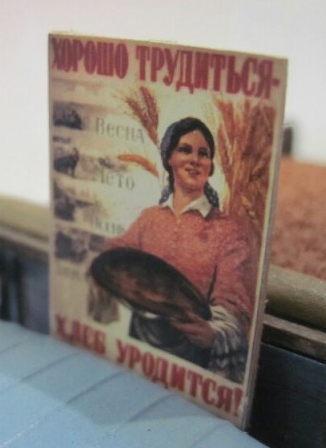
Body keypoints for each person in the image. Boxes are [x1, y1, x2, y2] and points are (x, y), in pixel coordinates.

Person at [103, 117, 258, 383]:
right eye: (185, 150)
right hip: (139, 343)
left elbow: (235, 305)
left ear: (210, 166)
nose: (195, 160)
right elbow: (114, 256)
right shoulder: (150, 218)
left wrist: (213, 333)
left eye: (203, 154)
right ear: (169, 158)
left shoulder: (229, 230)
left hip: (191, 355)